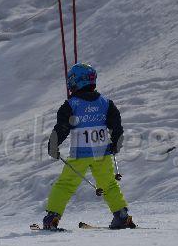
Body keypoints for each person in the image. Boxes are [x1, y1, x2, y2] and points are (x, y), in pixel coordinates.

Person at [42, 63, 135, 230]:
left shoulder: (71, 105)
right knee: (109, 184)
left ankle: (52, 217)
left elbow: (62, 127)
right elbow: (116, 126)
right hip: (103, 154)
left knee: (65, 184)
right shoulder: (106, 103)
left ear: (75, 82)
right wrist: (116, 143)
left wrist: (53, 145)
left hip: (80, 155)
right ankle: (121, 215)